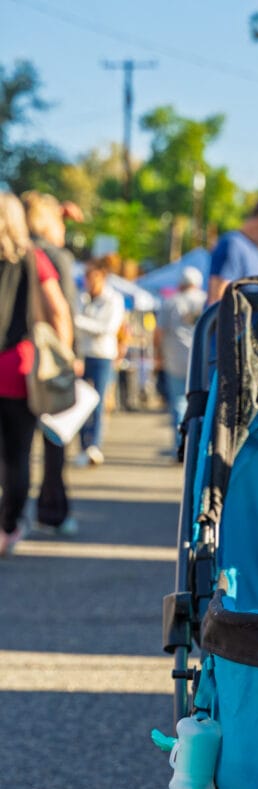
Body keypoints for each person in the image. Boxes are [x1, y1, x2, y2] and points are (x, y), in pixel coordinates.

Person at [0, 193, 72, 555]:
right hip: (17, 369)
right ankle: (7, 527)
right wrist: (66, 354)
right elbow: (58, 310)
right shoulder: (34, 258)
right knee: (17, 455)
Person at [21, 191, 80, 536]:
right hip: (48, 356)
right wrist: (72, 356)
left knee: (16, 443)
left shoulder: (14, 250)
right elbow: (65, 310)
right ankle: (52, 510)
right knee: (55, 438)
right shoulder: (54, 256)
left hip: (16, 355)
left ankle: (13, 514)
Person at [73, 257, 125, 466]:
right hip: (82, 355)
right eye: (87, 277)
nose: (89, 281)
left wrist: (79, 322)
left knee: (99, 401)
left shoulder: (113, 299)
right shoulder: (81, 298)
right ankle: (82, 445)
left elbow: (108, 328)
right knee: (79, 402)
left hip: (103, 355)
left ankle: (94, 445)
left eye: (93, 276)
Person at [154, 265, 206, 446]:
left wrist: (158, 355)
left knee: (178, 403)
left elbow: (159, 332)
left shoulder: (171, 302)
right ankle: (197, 445)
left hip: (175, 358)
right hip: (201, 359)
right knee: (201, 403)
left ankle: (181, 445)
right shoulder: (206, 301)